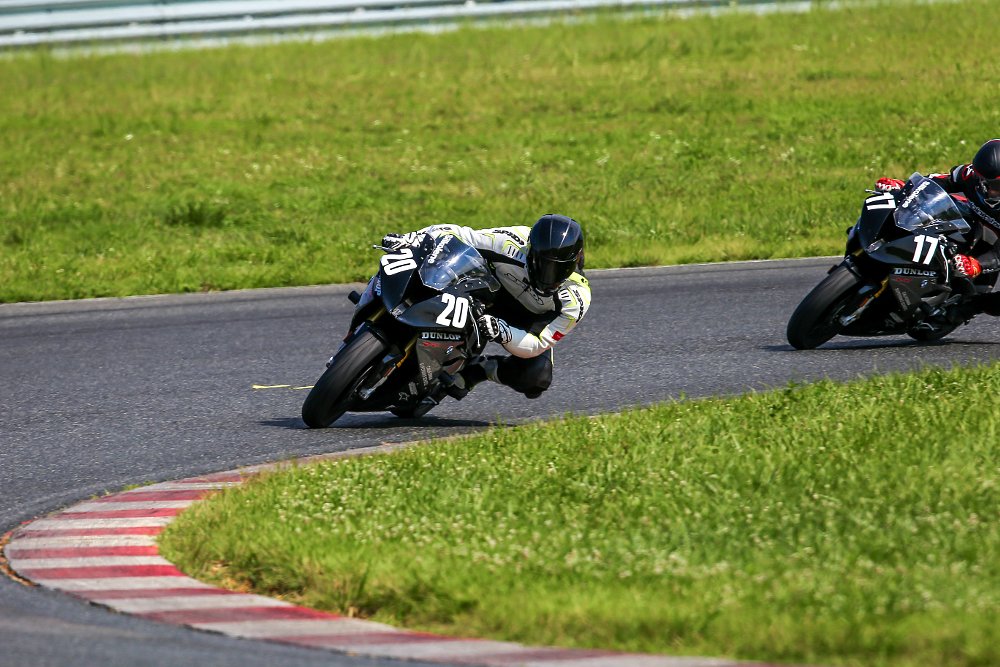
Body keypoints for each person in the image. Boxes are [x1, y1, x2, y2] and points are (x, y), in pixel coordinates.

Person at [381, 214, 590, 400]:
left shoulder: (576, 298)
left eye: (557, 269)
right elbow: (459, 235)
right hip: (488, 293)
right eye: (541, 263)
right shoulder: (511, 242)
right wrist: (413, 238)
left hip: (524, 323)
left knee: (536, 377)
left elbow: (538, 342)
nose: (548, 275)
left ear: (573, 264)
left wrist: (503, 332)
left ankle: (478, 370)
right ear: (530, 250)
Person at [875, 138, 1000, 316]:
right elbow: (937, 182)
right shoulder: (969, 175)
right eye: (991, 185)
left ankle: (972, 305)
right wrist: (903, 188)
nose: (992, 190)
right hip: (975, 219)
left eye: (998, 187)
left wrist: (977, 264)